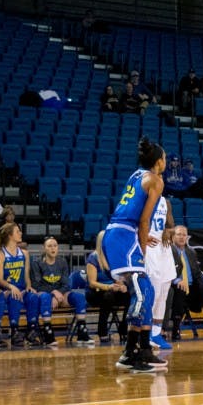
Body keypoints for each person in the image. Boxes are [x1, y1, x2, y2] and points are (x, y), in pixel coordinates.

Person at [105, 136, 169, 373]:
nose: (165, 161)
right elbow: (144, 220)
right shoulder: (155, 180)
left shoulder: (136, 175)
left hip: (120, 233)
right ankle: (131, 351)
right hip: (125, 236)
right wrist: (141, 247)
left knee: (147, 291)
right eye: (164, 158)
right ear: (158, 162)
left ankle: (140, 349)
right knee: (142, 292)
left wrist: (139, 237)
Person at [32, 237, 91, 346]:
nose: (53, 248)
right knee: (45, 297)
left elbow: (66, 284)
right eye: (49, 246)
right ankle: (48, 333)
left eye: (55, 245)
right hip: (45, 295)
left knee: (79, 297)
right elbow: (37, 285)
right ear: (44, 249)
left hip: (60, 295)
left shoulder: (62, 262)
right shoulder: (37, 263)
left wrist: (58, 293)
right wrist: (53, 292)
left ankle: (82, 331)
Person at [0, 223, 42, 347]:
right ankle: (14, 331)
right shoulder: (1, 255)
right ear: (10, 235)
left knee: (33, 297)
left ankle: (31, 330)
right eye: (18, 231)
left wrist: (28, 286)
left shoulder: (24, 253)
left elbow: (26, 276)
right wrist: (11, 286)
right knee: (15, 296)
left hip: (21, 289)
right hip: (7, 291)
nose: (21, 233)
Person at [168, 224, 203, 339]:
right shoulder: (168, 251)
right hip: (176, 287)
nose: (182, 237)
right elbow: (165, 272)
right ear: (173, 237)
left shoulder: (191, 252)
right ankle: (175, 329)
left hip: (192, 287)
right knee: (180, 289)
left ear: (187, 237)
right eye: (179, 234)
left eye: (184, 235)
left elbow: (196, 273)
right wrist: (177, 281)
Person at [85, 230, 130, 344]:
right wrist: (109, 287)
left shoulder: (113, 257)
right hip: (95, 292)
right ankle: (102, 331)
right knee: (108, 296)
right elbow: (92, 283)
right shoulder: (93, 258)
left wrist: (122, 285)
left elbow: (118, 278)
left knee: (128, 295)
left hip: (112, 290)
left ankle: (123, 328)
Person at [144, 197, 177, 350]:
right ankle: (146, 332)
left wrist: (168, 232)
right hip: (149, 246)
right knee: (154, 292)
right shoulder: (142, 198)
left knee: (164, 292)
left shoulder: (165, 202)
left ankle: (156, 334)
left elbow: (171, 226)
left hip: (163, 247)